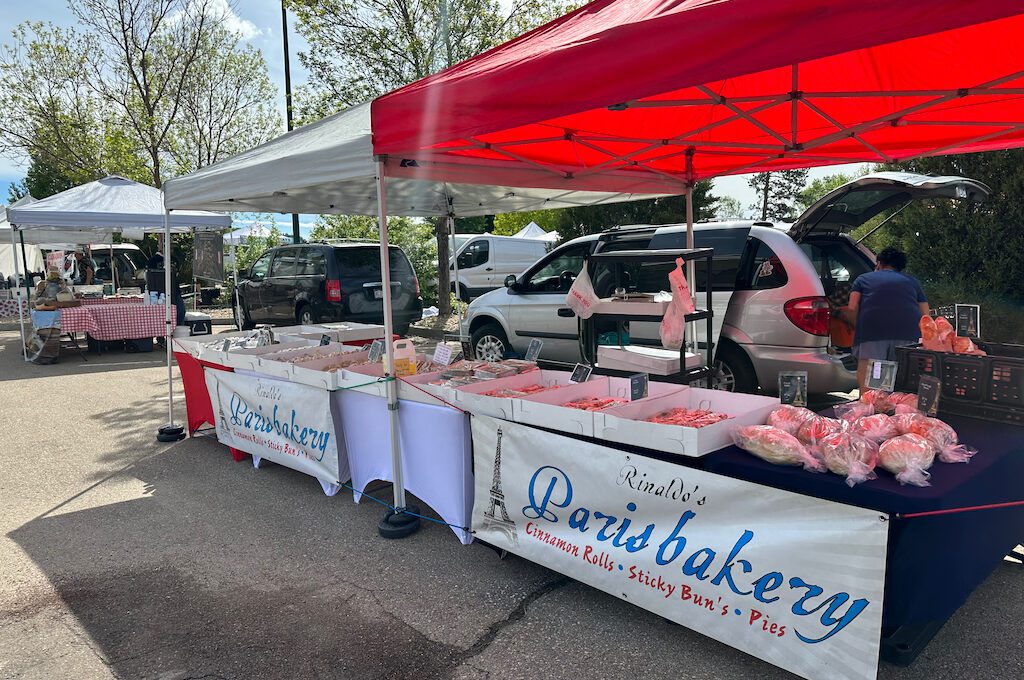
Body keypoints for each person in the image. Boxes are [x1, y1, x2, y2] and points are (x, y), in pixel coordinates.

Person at [842, 247, 929, 391]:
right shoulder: (912, 282)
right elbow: (925, 314)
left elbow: (852, 309)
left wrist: (838, 316)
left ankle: (873, 407)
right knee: (900, 380)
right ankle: (896, 408)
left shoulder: (863, 279)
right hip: (908, 335)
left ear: (879, 263)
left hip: (874, 333)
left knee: (873, 382)